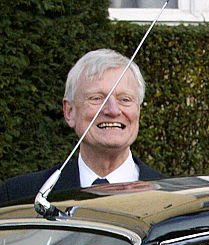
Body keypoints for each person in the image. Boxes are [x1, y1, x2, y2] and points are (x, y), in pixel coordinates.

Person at [0, 49, 164, 205]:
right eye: (96, 98)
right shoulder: (19, 194)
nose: (113, 111)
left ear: (138, 111)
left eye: (125, 99)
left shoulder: (171, 199)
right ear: (69, 111)